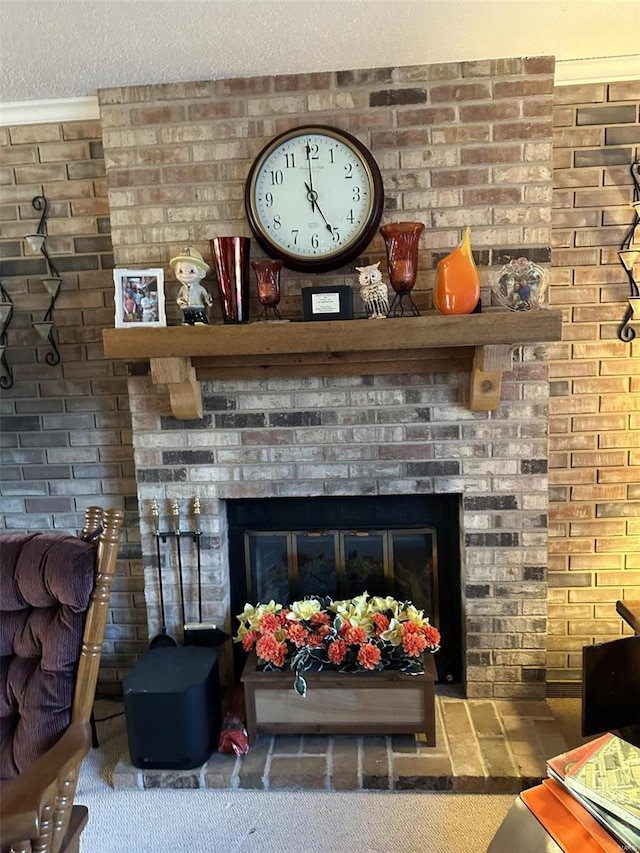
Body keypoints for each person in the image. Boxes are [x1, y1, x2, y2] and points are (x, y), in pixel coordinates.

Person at [170, 247, 213, 325]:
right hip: (186, 307)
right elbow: (178, 297)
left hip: (198, 306)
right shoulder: (183, 288)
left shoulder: (200, 288)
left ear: (202, 273)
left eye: (191, 271)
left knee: (199, 315)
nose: (185, 274)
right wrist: (179, 300)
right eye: (180, 271)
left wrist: (208, 299)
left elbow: (205, 296)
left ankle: (201, 320)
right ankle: (188, 321)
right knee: (188, 317)